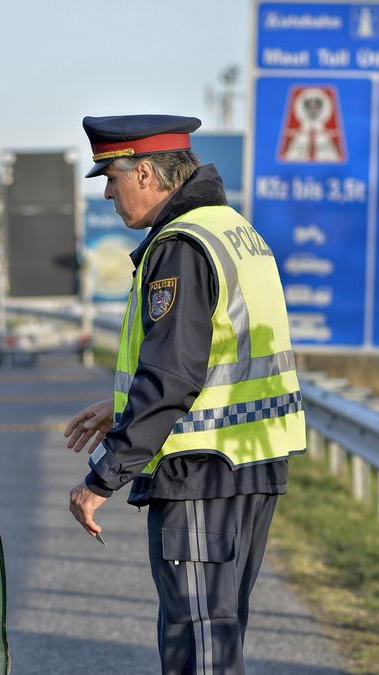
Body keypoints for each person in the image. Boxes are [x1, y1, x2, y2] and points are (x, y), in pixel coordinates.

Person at [63, 115, 306, 675]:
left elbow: (173, 377)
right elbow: (217, 357)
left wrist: (103, 477)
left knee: (198, 642)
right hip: (250, 463)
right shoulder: (233, 229)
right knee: (218, 634)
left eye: (111, 177)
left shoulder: (180, 247)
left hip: (200, 471)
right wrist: (121, 409)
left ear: (145, 172)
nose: (107, 193)